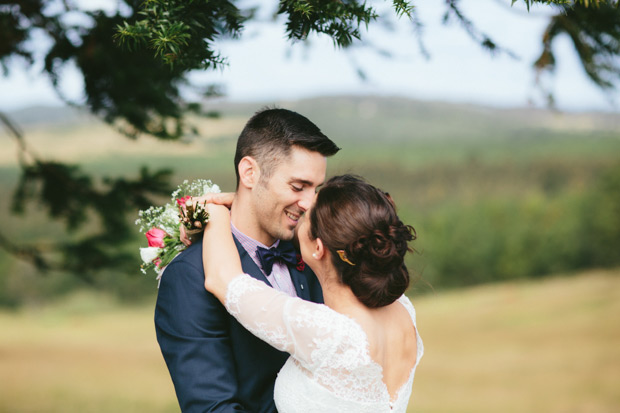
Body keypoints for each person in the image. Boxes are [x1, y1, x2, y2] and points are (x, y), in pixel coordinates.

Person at [155, 108, 340, 412]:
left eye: (315, 189)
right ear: (249, 172)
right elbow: (212, 407)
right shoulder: (189, 275)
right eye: (298, 186)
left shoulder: (316, 250)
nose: (309, 203)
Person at [200, 175, 424, 413]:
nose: (303, 206)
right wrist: (247, 205)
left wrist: (213, 211)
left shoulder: (327, 332)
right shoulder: (404, 310)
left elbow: (223, 279)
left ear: (318, 248)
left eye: (307, 214)